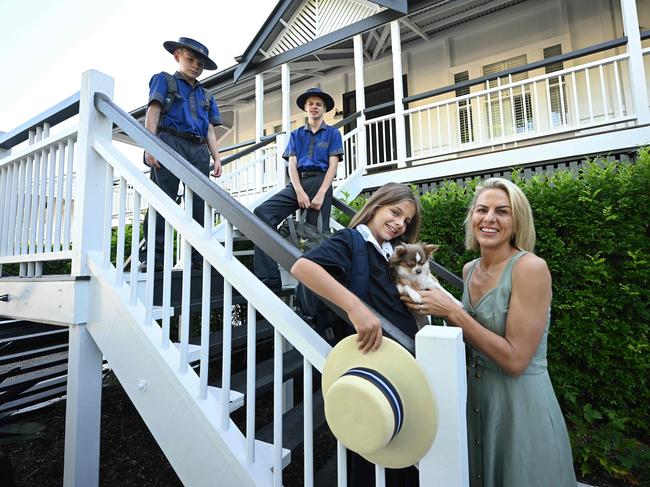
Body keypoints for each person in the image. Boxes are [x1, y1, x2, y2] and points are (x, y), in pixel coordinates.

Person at [403, 178, 576, 487]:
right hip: (478, 401)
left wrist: (453, 311)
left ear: (517, 220)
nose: (489, 218)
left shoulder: (530, 268)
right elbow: (472, 330)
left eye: (502, 211)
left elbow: (515, 360)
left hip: (520, 407)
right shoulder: (470, 269)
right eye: (482, 209)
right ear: (472, 218)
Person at [291, 182, 422, 486]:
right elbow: (303, 268)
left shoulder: (395, 254)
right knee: (373, 449)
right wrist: (355, 307)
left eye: (406, 221)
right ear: (376, 206)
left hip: (401, 364)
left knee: (402, 451)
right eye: (395, 212)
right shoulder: (352, 240)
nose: (399, 223)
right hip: (371, 365)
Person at [141, 37, 223, 271]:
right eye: (191, 59)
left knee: (199, 203)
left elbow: (209, 129)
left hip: (198, 150)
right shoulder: (164, 80)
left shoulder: (207, 95)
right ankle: (155, 257)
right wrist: (151, 145)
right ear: (177, 55)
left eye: (200, 63)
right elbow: (153, 111)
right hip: (169, 142)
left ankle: (198, 256)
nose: (196, 65)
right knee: (162, 199)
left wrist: (216, 157)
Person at [254, 87, 343, 290]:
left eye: (318, 104)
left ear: (324, 109)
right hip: (299, 183)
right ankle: (269, 278)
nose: (314, 107)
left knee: (315, 237)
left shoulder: (332, 133)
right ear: (305, 107)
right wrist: (299, 191)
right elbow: (291, 165)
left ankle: (313, 294)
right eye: (311, 103)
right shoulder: (295, 135)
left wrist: (321, 193)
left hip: (321, 183)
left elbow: (333, 166)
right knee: (262, 214)